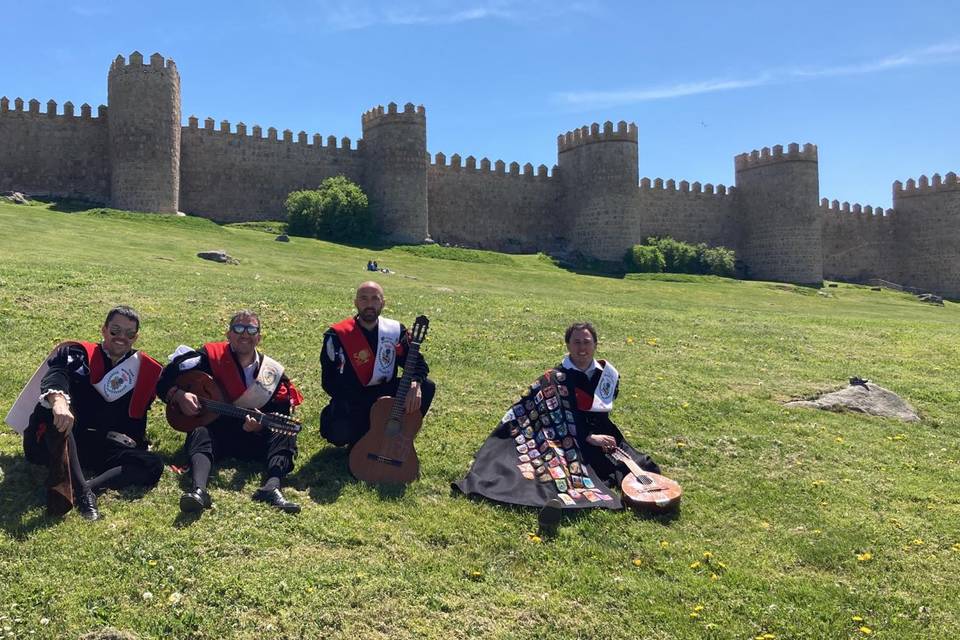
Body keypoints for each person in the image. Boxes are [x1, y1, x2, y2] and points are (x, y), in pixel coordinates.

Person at [453, 322, 661, 532]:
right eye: (576, 342)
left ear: (595, 345)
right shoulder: (555, 377)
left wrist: (600, 435)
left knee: (639, 466)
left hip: (603, 432)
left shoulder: (606, 375)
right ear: (568, 345)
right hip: (566, 435)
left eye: (587, 342)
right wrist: (589, 437)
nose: (582, 348)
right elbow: (551, 415)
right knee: (562, 472)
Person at [6, 306, 164, 520]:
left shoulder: (144, 368)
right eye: (115, 330)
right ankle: (84, 494)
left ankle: (84, 488)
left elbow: (170, 385)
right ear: (104, 330)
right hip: (60, 441)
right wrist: (59, 401)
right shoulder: (78, 354)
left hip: (99, 445)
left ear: (135, 337)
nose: (121, 338)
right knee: (56, 416)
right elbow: (56, 375)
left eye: (129, 333)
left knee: (152, 464)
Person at [158, 310, 303, 515]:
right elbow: (165, 379)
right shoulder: (208, 357)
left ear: (258, 337)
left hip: (254, 437)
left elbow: (280, 412)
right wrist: (179, 395)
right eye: (238, 328)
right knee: (200, 432)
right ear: (228, 335)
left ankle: (272, 487)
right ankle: (199, 490)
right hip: (218, 433)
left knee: (285, 432)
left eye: (251, 329)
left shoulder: (271, 373)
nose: (245, 334)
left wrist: (259, 426)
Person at [319, 281, 436, 449]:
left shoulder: (395, 331)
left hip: (385, 396)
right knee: (339, 433)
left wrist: (415, 384)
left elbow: (419, 365)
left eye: (375, 299)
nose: (369, 304)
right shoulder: (337, 336)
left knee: (427, 387)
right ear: (356, 302)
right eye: (364, 298)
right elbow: (328, 381)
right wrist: (365, 404)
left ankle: (400, 433)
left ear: (383, 303)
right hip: (353, 400)